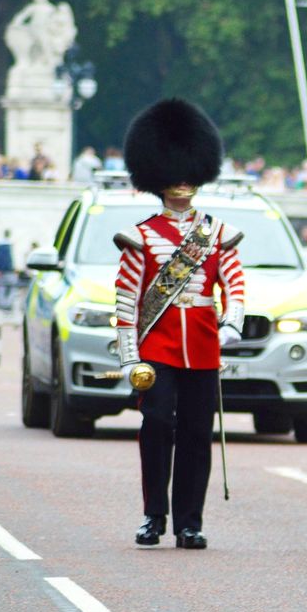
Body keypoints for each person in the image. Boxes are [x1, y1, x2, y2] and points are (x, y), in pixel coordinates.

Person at [114, 98, 246, 550]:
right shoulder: (142, 235)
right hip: (158, 346)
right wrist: (130, 356)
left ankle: (190, 521)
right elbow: (127, 300)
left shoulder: (216, 233)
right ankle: (154, 515)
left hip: (204, 347)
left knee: (195, 432)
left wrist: (233, 322)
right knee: (155, 424)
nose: (183, 181)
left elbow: (235, 284)